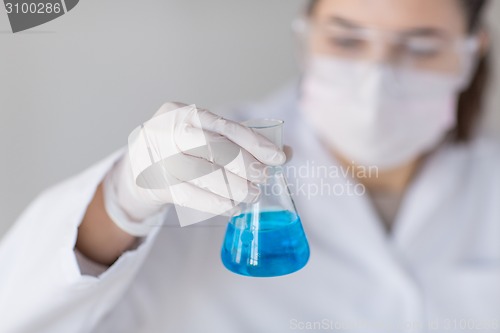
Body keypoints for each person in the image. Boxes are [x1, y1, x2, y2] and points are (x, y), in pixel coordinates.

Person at [1, 0, 498, 332]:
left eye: (420, 46)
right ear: (305, 36)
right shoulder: (196, 165)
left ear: (474, 49)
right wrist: (120, 203)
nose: (376, 80)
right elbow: (20, 312)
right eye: (347, 41)